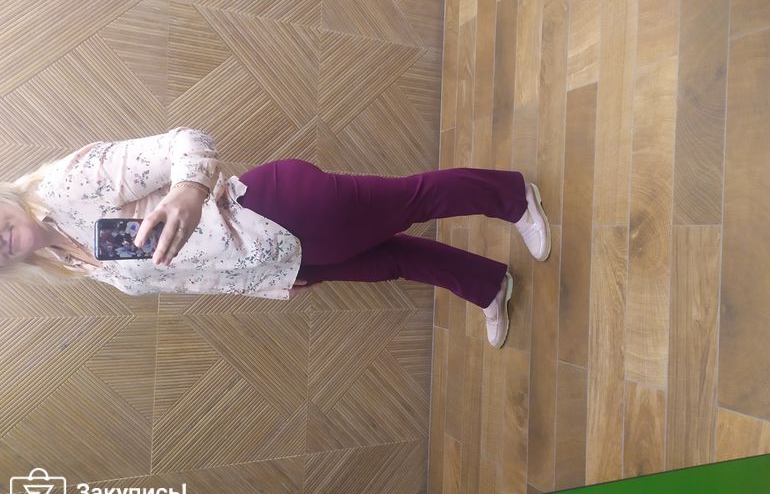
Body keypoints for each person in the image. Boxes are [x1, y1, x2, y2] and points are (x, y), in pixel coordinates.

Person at [0, 127, 550, 349]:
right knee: (393, 262)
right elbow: (186, 273)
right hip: (274, 259)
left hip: (276, 209)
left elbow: (186, 142)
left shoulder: (65, 187)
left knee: (412, 202)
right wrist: (268, 283)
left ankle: (512, 195)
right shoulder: (66, 261)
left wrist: (189, 189)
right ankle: (488, 284)